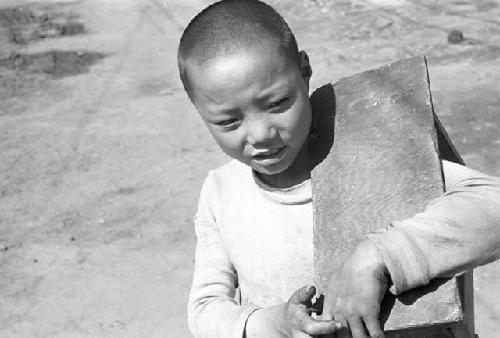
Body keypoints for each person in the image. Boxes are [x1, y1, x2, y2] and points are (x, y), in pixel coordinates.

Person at [177, 0, 500, 337]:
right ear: (200, 110)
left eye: (277, 104)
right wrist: (273, 323)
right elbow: (205, 309)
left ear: (304, 71)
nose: (261, 135)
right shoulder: (221, 192)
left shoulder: (374, 149)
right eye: (229, 122)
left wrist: (381, 256)